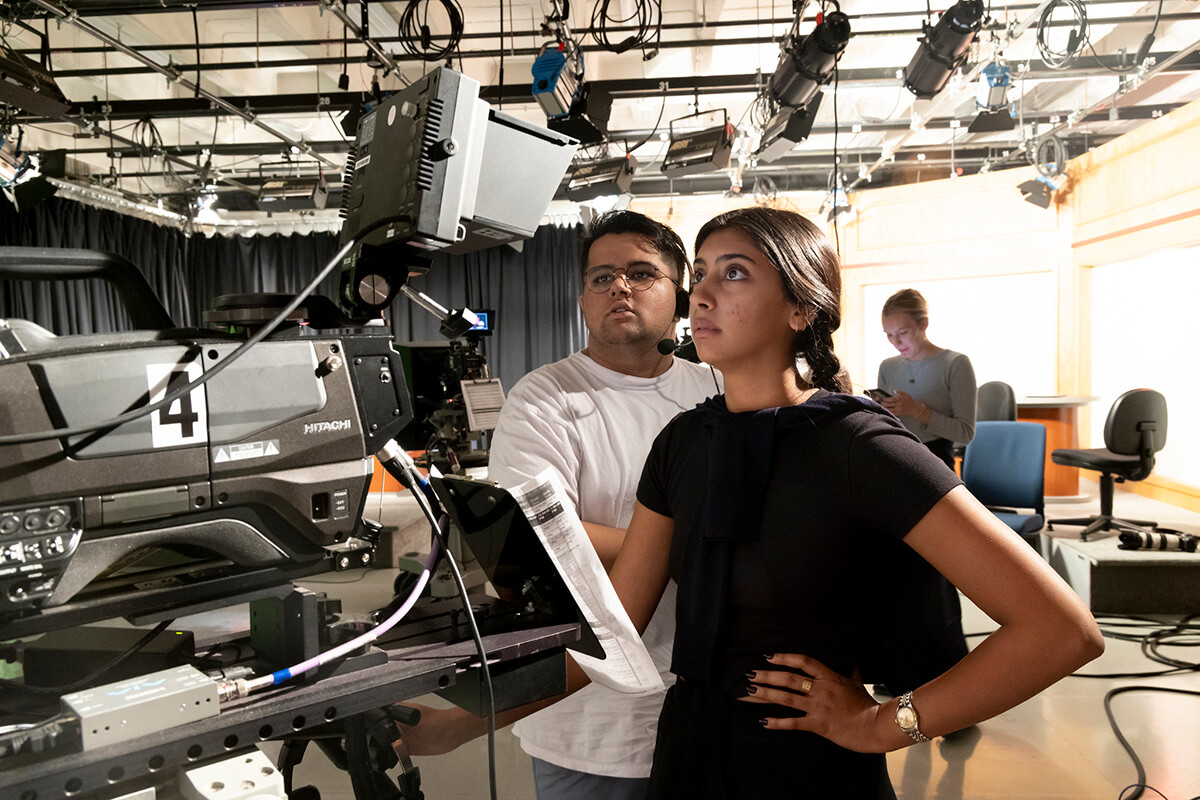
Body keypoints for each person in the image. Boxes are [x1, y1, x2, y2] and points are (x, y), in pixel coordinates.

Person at [402, 208, 1102, 798]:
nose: (703, 292)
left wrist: (885, 725)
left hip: (802, 767)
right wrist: (458, 710)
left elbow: (1060, 629)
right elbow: (611, 637)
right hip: (686, 760)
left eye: (733, 273)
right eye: (700, 273)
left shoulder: (860, 444)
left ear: (802, 307)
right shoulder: (683, 442)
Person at [437, 210, 721, 799]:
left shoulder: (713, 388)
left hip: (710, 703)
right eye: (601, 277)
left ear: (680, 296)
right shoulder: (545, 397)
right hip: (592, 716)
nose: (618, 286)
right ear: (584, 300)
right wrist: (702, 545)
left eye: (642, 273)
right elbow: (547, 535)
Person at [876, 288, 977, 469]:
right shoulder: (887, 366)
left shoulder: (956, 364)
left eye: (903, 332)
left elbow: (965, 433)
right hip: (895, 459)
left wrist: (919, 411)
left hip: (936, 462)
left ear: (923, 324)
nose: (895, 342)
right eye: (889, 334)